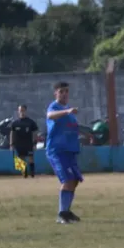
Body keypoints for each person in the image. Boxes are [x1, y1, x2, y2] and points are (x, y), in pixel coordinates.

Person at [45, 81, 83, 224]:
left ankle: (66, 211)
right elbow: (50, 115)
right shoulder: (55, 107)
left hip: (70, 151)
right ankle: (61, 214)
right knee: (67, 180)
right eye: (61, 91)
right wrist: (66, 111)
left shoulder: (69, 110)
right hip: (57, 151)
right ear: (56, 93)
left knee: (74, 180)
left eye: (66, 91)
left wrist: (86, 134)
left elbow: (73, 127)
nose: (65, 94)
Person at [10, 104, 39, 179]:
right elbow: (12, 133)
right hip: (19, 144)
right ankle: (24, 174)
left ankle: (32, 173)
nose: (22, 112)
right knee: (21, 159)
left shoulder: (31, 122)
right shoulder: (15, 123)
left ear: (26, 111)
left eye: (23, 110)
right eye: (20, 111)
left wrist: (35, 143)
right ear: (18, 111)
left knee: (30, 158)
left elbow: (35, 133)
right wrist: (11, 144)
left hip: (28, 143)